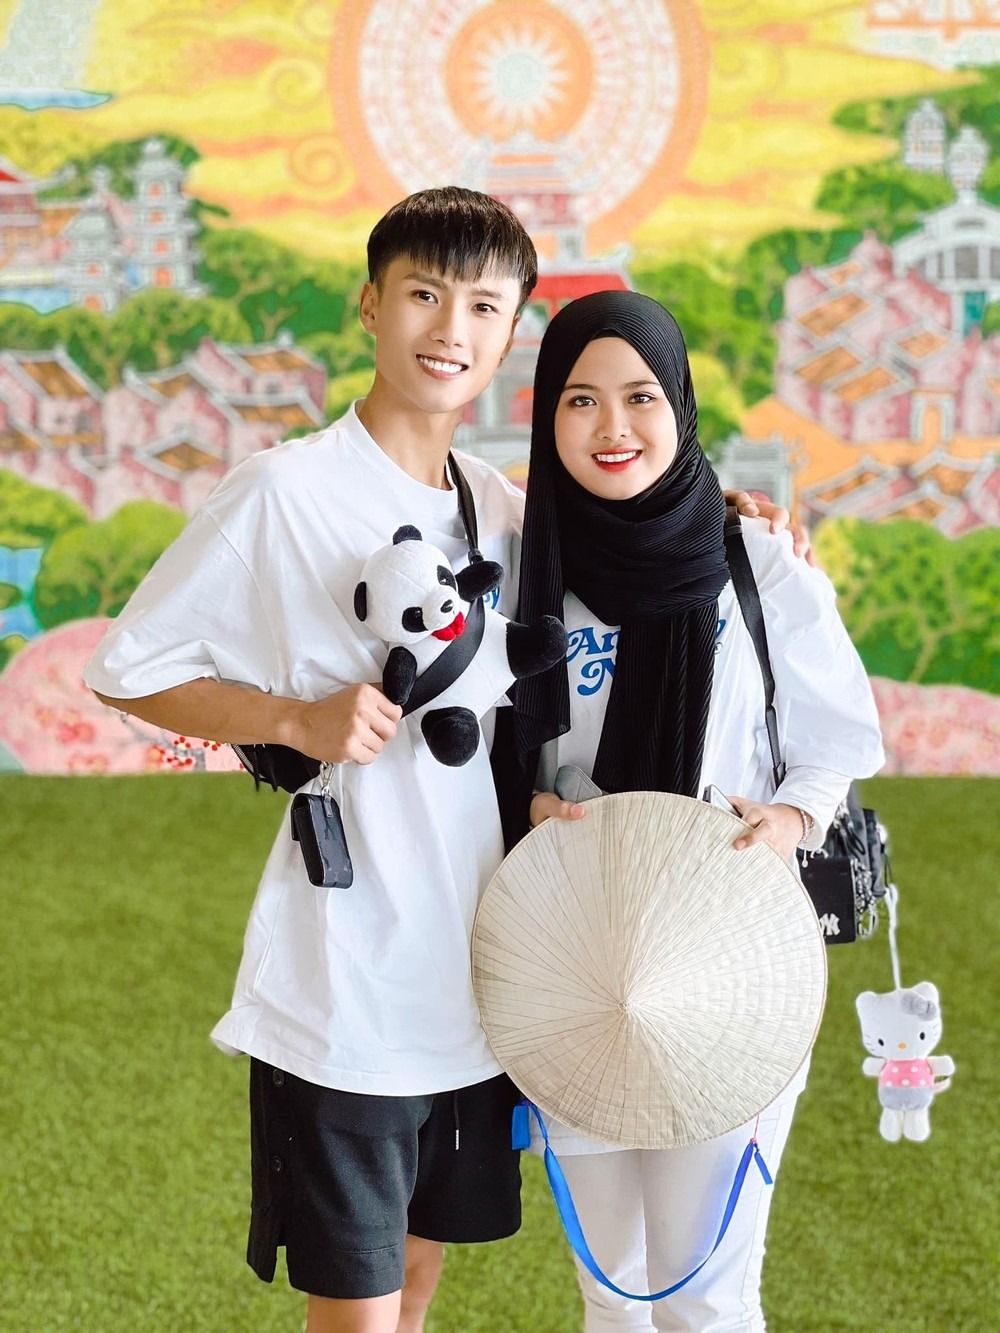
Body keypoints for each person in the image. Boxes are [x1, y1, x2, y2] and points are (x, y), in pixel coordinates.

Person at [84, 187, 807, 1333]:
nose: (449, 329)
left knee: (418, 1284)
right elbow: (128, 669)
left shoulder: (505, 510)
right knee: (361, 1310)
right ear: (371, 304)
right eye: (423, 293)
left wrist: (731, 517)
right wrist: (294, 719)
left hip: (487, 985)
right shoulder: (284, 490)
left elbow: (631, 528)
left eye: (482, 305)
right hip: (348, 982)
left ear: (510, 331)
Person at [502, 289, 885, 1333]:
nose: (612, 426)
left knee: (704, 1291)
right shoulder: (526, 566)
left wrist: (791, 820)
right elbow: (497, 745)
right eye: (580, 399)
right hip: (575, 963)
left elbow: (840, 732)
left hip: (729, 956)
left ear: (679, 405)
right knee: (608, 1288)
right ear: (547, 416)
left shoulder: (752, 559)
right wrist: (526, 800)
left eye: (639, 396)